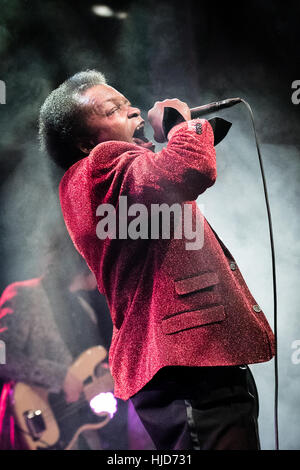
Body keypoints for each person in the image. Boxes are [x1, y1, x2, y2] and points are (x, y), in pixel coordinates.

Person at [38, 69, 275, 450]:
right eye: (114, 110)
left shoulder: (126, 177)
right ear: (86, 143)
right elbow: (190, 169)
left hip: (196, 357)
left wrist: (189, 131)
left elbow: (172, 174)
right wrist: (181, 126)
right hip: (185, 362)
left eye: (129, 103)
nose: (134, 112)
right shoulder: (98, 167)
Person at [0, 227, 128, 450]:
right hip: (34, 421)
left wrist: (102, 375)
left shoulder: (84, 306)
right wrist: (61, 377)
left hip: (78, 430)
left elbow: (88, 360)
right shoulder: (24, 295)